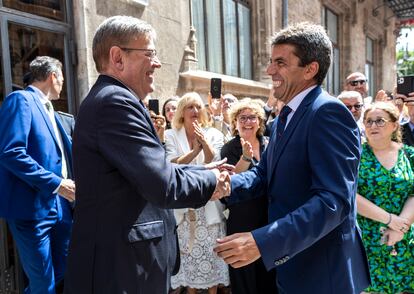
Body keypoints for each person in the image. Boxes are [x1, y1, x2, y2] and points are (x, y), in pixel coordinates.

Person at [63, 16, 230, 294]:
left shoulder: (115, 99)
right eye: (150, 54)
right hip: (119, 272)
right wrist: (211, 181)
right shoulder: (115, 102)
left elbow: (154, 169)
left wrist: (205, 171)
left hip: (127, 268)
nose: (157, 63)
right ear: (118, 57)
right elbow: (161, 184)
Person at [214, 22, 370, 293]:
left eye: (280, 63)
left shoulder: (328, 113)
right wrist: (218, 183)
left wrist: (264, 242)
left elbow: (333, 202)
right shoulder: (285, 117)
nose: (270, 70)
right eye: (271, 61)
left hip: (322, 273)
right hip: (293, 267)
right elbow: (265, 174)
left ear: (310, 69)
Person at [0, 56, 75, 294]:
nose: (62, 83)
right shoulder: (21, 100)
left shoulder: (52, 110)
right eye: (62, 77)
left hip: (61, 206)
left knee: (64, 269)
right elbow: (11, 152)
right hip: (32, 209)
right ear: (53, 76)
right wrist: (57, 184)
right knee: (44, 284)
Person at [165, 92, 229, 294]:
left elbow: (214, 164)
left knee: (211, 253)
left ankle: (212, 291)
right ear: (182, 111)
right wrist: (194, 152)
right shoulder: (171, 134)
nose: (194, 110)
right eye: (190, 106)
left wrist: (205, 144)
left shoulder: (214, 133)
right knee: (188, 253)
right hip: (184, 204)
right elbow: (170, 164)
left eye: (198, 106)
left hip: (209, 202)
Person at [220, 98, 277, 294]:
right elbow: (229, 183)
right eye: (242, 118)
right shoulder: (229, 148)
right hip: (243, 219)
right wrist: (245, 157)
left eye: (252, 117)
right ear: (235, 122)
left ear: (260, 122)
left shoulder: (269, 143)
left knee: (269, 274)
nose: (247, 122)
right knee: (244, 277)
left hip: (270, 217)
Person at [356, 102, 414, 293]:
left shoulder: (409, 154)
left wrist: (401, 226)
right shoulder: (355, 156)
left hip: (403, 239)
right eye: (369, 121)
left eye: (380, 121)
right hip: (367, 240)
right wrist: (390, 220)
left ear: (395, 125)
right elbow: (349, 195)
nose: (373, 126)